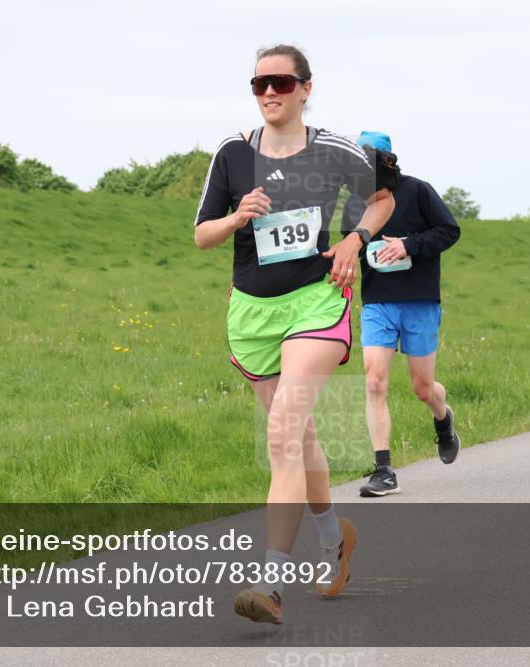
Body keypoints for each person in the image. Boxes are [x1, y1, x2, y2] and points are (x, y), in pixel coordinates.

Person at [193, 45, 395, 623]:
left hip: (315, 300)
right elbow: (202, 236)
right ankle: (334, 538)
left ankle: (270, 585)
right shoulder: (233, 153)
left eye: (280, 82)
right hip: (253, 310)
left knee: (282, 432)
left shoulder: (334, 150)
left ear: (306, 87)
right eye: (258, 84)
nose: (268, 93)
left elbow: (383, 199)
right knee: (298, 436)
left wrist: (355, 240)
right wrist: (236, 218)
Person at [340, 131, 461, 497]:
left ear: (389, 162)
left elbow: (449, 231)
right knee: (374, 381)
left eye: (371, 161)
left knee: (423, 389)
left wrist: (408, 245)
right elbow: (351, 247)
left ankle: (443, 419)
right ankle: (384, 470)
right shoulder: (353, 203)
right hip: (378, 302)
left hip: (419, 300)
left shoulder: (418, 190)